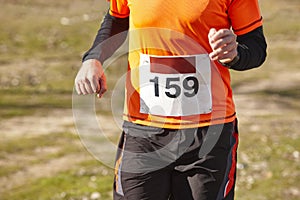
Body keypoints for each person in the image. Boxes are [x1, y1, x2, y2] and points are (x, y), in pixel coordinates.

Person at [75, 0, 267, 199]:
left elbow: (256, 47)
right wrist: (94, 58)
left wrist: (235, 54)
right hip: (143, 131)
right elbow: (116, 19)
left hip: (209, 133)